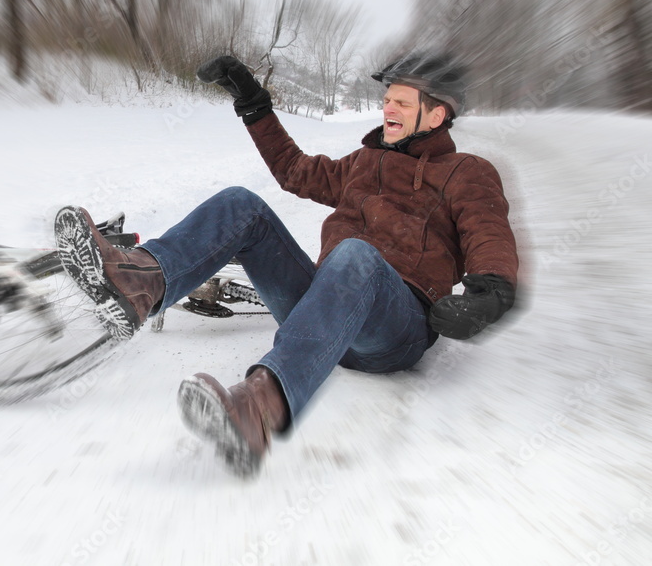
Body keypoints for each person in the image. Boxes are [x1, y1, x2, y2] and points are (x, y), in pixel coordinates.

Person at [53, 53, 519, 477]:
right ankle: (138, 283)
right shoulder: (365, 161)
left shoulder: (468, 172)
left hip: (394, 330)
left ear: (436, 114)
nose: (387, 109)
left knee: (355, 254)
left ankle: (257, 410)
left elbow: (487, 231)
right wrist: (254, 104)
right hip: (324, 306)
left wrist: (490, 290)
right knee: (242, 204)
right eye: (386, 99)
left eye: (400, 101)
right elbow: (295, 171)